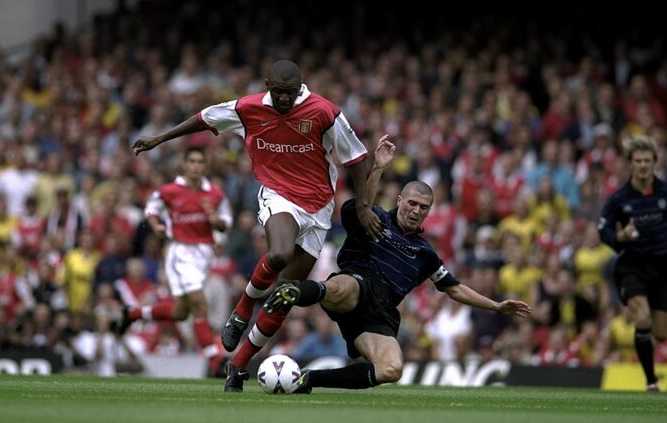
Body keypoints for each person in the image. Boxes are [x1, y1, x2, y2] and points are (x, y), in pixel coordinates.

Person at [131, 60, 384, 391]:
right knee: (278, 254)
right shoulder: (247, 108)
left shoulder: (324, 113)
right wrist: (160, 139)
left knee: (285, 295)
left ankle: (237, 366)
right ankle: (242, 308)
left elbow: (357, 158)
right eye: (277, 92)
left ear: (301, 88)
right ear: (267, 86)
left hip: (319, 207)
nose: (282, 99)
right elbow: (205, 119)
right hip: (277, 194)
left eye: (289, 93)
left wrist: (363, 205)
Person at [262, 141, 531, 393]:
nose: (416, 210)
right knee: (349, 285)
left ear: (429, 211)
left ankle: (309, 380)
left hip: (379, 314)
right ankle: (295, 290)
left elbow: (455, 289)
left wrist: (495, 306)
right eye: (412, 203)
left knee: (392, 369)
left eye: (423, 207)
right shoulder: (375, 219)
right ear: (400, 200)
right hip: (353, 285)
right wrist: (378, 167)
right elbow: (361, 208)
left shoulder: (425, 253)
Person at [116, 147, 233, 375]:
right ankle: (214, 360)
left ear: (205, 165)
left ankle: (133, 314)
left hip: (203, 254)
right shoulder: (170, 191)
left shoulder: (215, 194)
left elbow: (226, 223)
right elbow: (151, 208)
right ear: (184, 163)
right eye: (192, 161)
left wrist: (214, 220)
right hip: (179, 252)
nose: (196, 166)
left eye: (200, 162)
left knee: (181, 312)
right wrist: (155, 225)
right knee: (200, 303)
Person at [598, 134, 667, 392]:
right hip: (633, 266)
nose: (642, 165)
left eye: (647, 160)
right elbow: (602, 230)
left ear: (654, 162)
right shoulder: (619, 199)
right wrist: (619, 236)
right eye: (638, 160)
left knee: (661, 333)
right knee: (643, 317)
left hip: (662, 267)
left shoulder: (665, 193)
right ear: (630, 164)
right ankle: (650, 381)